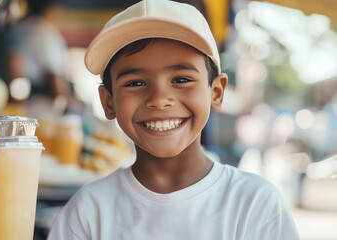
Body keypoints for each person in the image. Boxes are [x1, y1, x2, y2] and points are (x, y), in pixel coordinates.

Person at [47, 0, 300, 239]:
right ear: (108, 101)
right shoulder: (87, 212)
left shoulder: (255, 205)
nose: (159, 99)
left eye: (181, 80)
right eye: (135, 83)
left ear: (216, 92)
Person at [5, 0, 72, 101]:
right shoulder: (47, 33)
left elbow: (14, 72)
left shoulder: (15, 30)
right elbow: (54, 77)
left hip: (15, 98)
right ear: (50, 9)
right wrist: (66, 101)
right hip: (41, 101)